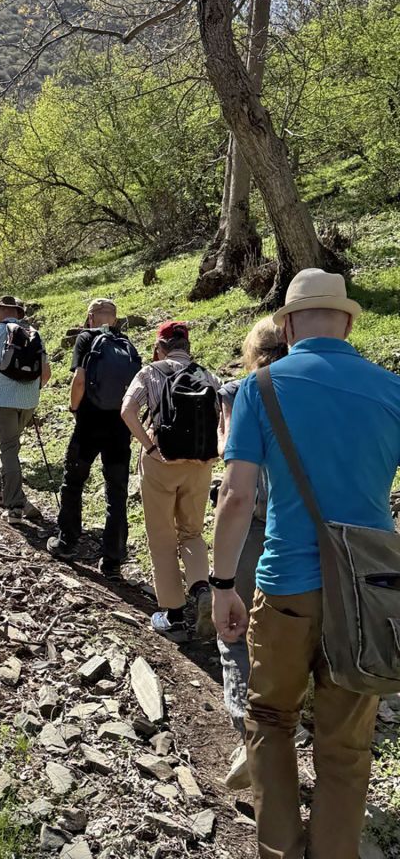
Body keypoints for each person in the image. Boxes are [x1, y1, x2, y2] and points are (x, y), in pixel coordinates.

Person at [212, 269, 400, 859]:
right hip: (368, 596)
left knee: (270, 722)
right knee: (346, 745)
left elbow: (236, 496)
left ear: (289, 325)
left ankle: (279, 851)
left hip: (286, 591)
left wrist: (221, 585)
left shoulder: (260, 388)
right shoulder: (392, 390)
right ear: (347, 323)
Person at [215, 317, 288, 791]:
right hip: (305, 529)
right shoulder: (310, 390)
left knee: (234, 631)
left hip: (254, 527)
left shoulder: (245, 391)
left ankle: (249, 737)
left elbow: (233, 479)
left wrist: (219, 581)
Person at [121, 321, 221, 641]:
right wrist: (214, 453)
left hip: (160, 463)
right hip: (199, 465)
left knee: (162, 536)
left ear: (160, 347)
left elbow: (127, 411)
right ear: (187, 346)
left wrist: (150, 447)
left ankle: (174, 618)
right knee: (192, 532)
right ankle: (202, 589)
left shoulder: (150, 373)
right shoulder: (208, 376)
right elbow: (225, 416)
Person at [47, 298, 141, 579]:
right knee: (117, 492)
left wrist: (74, 407)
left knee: (73, 482)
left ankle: (67, 542)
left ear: (89, 318)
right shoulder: (126, 343)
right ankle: (112, 560)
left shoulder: (86, 338)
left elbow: (79, 379)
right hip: (119, 428)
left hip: (88, 424)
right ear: (114, 318)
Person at [0, 295, 51, 524]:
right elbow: (46, 374)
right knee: (11, 445)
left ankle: (14, 506)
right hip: (29, 401)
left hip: (2, 400)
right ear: (18, 313)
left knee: (9, 447)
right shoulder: (33, 333)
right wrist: (31, 391)